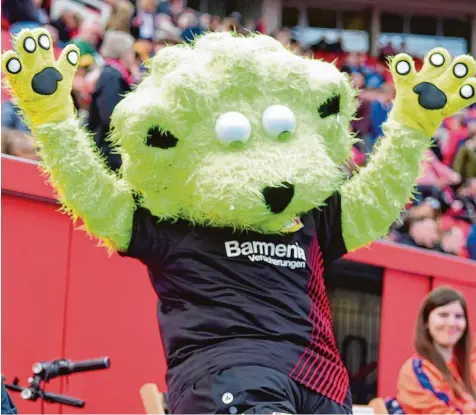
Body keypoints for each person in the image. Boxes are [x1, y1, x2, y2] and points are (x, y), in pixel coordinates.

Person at [3, 28, 476, 414]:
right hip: (227, 379)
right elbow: (94, 195)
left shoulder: (311, 217)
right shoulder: (171, 222)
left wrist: (412, 127)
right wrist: (53, 121)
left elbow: (378, 198)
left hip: (324, 385)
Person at [396, 287, 476, 414]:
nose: (451, 323)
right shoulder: (417, 370)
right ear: (426, 321)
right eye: (443, 315)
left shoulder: (467, 368)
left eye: (459, 316)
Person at [87, 30, 138, 171]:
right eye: (132, 51)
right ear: (123, 52)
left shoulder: (115, 73)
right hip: (105, 150)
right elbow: (109, 115)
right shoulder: (112, 76)